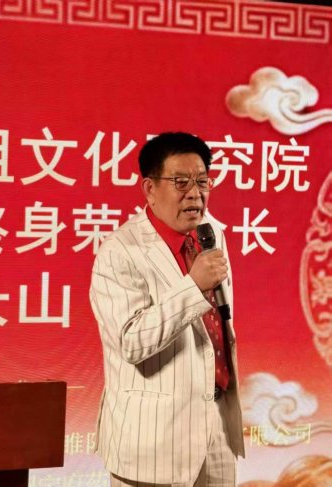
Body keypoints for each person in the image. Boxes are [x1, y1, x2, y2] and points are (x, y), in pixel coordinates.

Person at [90, 132, 245, 486]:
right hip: (153, 440)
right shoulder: (120, 251)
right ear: (149, 188)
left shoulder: (211, 234)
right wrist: (193, 287)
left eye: (202, 181)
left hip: (215, 429)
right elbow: (131, 342)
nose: (195, 194)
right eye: (181, 182)